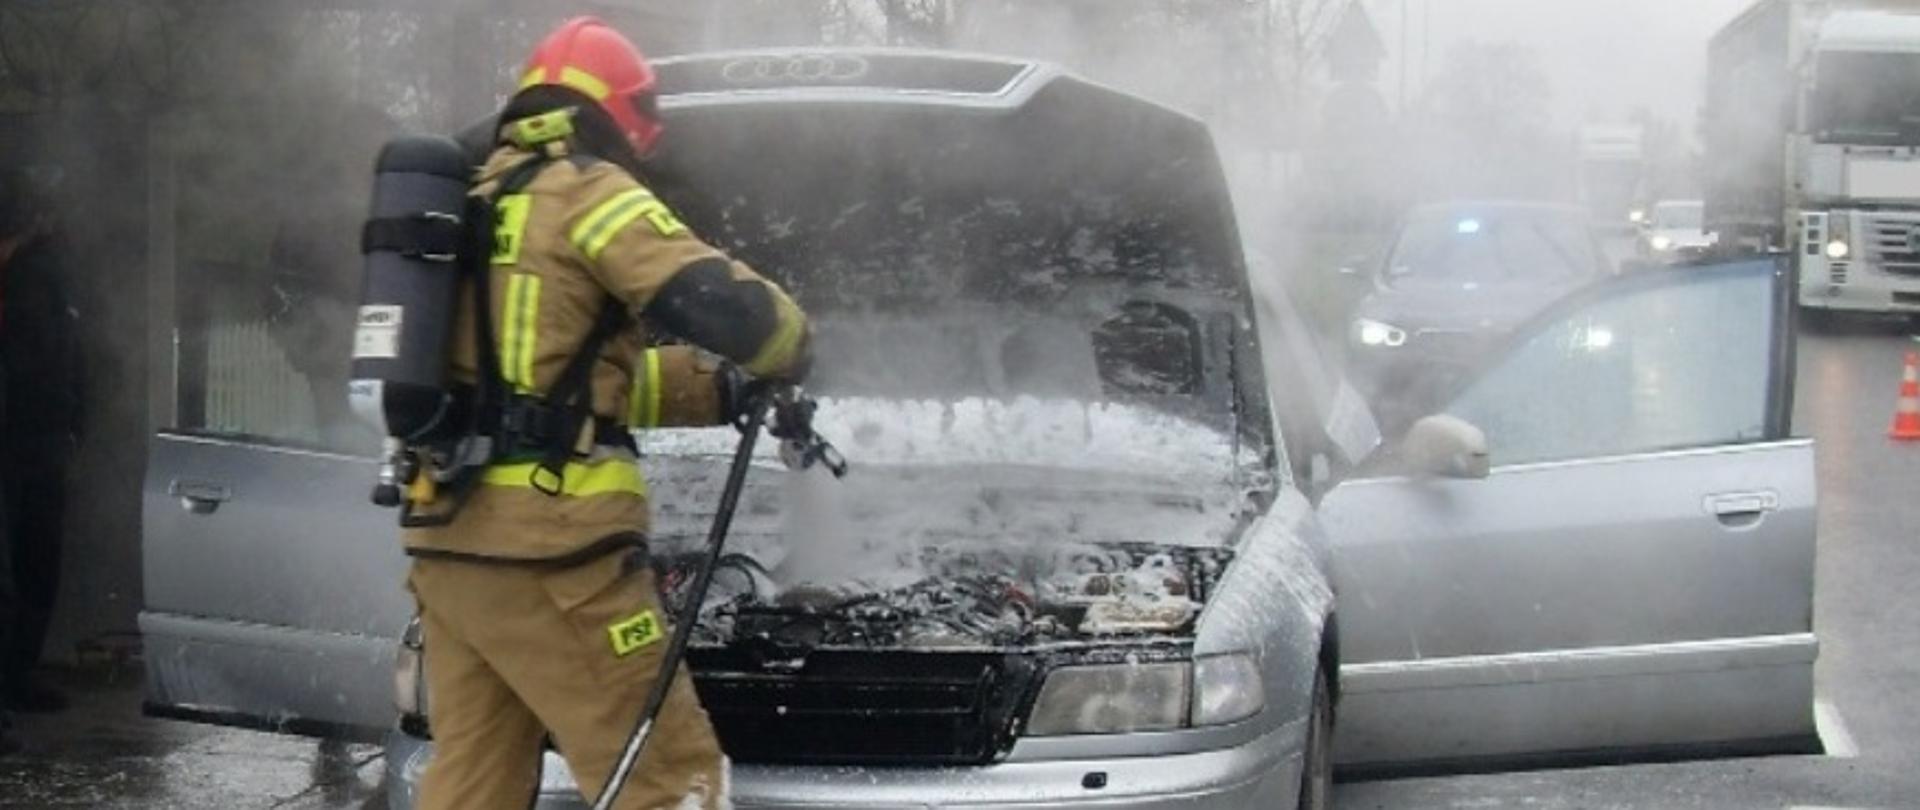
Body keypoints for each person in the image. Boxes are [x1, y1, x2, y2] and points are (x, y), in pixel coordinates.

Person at [403, 17, 809, 810]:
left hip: (453, 553)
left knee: (472, 787)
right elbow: (726, 308)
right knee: (667, 778)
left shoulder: (471, 207)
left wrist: (715, 392)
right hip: (556, 557)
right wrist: (793, 345)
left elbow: (550, 384)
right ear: (622, 114)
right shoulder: (586, 189)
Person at [0, 166, 78, 717]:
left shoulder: (42, 275)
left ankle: (15, 678)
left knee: (34, 562)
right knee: (20, 570)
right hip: (20, 436)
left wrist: (74, 420)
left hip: (37, 434)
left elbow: (64, 356)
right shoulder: (33, 277)